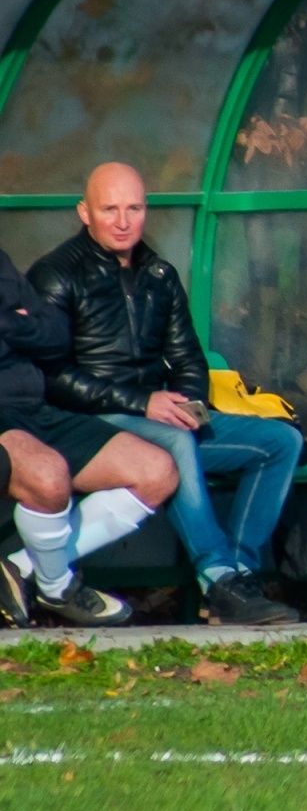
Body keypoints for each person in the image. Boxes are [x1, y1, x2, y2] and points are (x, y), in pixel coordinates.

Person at [27, 163, 302, 625]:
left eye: (133, 208)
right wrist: (145, 404)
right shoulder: (56, 275)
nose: (122, 220)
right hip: (88, 423)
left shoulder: (159, 274)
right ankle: (215, 574)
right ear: (84, 212)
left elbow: (188, 358)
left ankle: (238, 574)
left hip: (156, 419)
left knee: (280, 443)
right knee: (170, 441)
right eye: (109, 209)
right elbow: (50, 376)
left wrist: (189, 403)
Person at [0, 245, 177, 627]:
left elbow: (54, 336)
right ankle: (58, 586)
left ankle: (18, 568)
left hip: (35, 406)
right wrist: (18, 326)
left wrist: (9, 326)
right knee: (48, 476)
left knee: (156, 470)